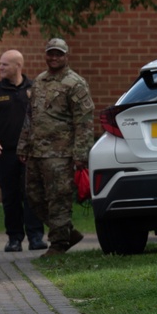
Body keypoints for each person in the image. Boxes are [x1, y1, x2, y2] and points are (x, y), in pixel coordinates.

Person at [18, 38, 95, 258]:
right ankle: (67, 233)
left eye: (58, 54)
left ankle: (58, 244)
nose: (54, 58)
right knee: (33, 197)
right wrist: (23, 145)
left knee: (58, 198)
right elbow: (30, 116)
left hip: (61, 153)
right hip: (36, 151)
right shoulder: (39, 81)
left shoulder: (75, 83)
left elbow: (84, 120)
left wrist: (81, 154)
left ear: (66, 56)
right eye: (51, 53)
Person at [0, 50, 46, 252]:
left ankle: (36, 237)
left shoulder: (34, 89)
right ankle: (14, 238)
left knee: (32, 195)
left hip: (30, 153)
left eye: (5, 65)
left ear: (18, 66)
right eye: (0, 64)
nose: (0, 68)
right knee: (10, 197)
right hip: (6, 153)